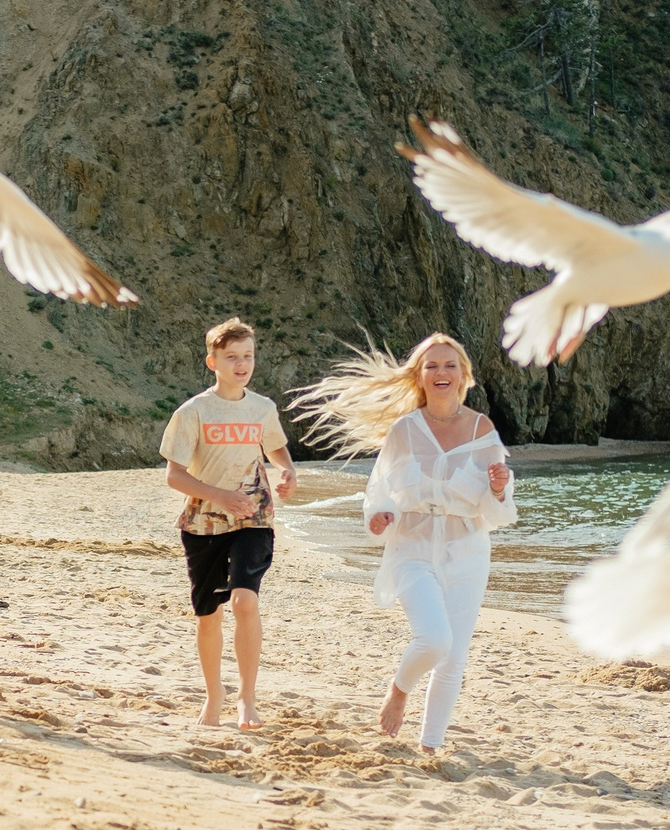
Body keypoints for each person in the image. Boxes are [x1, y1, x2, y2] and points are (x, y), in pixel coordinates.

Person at [293, 334, 514, 751]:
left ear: (464, 375)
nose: (441, 372)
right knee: (434, 640)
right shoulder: (404, 430)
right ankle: (398, 689)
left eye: (450, 365)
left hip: (467, 551)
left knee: (454, 656)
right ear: (420, 375)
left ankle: (431, 745)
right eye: (432, 366)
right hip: (412, 549)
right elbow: (379, 489)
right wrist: (377, 515)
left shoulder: (483, 429)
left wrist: (501, 486)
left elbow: (499, 500)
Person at [161, 317, 296, 729]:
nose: (242, 364)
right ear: (212, 361)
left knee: (244, 601)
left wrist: (288, 472)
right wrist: (219, 495)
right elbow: (174, 475)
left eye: (248, 356)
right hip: (203, 523)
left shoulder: (263, 408)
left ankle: (246, 700)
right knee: (208, 615)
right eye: (232, 357)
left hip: (254, 518)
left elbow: (277, 450)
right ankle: (213, 696)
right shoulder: (194, 412)